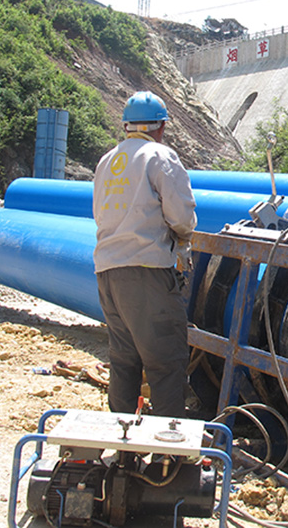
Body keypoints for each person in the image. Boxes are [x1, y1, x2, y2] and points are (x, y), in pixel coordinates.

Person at [92, 91, 197, 418]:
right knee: (165, 362)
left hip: (107, 272)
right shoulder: (160, 157)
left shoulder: (107, 161)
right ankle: (168, 454)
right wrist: (182, 238)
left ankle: (122, 442)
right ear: (161, 126)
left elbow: (100, 213)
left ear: (126, 126)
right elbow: (181, 216)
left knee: (124, 360)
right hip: (146, 271)